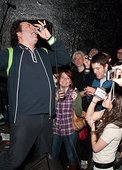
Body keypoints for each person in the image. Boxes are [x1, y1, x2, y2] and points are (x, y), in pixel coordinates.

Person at [0, 19, 71, 169]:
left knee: (44, 160)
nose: (34, 28)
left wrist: (50, 38)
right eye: (29, 26)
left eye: (34, 26)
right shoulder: (11, 54)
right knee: (14, 161)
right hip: (24, 118)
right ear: (19, 34)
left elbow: (65, 59)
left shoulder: (44, 53)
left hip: (46, 117)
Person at [86, 86, 122, 170]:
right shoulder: (107, 113)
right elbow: (89, 118)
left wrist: (93, 129)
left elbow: (95, 148)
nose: (104, 97)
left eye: (107, 96)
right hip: (96, 163)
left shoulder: (114, 128)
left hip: (104, 167)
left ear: (113, 102)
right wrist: (94, 100)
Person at [52, 69, 82, 170]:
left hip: (70, 130)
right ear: (58, 79)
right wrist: (55, 100)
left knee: (71, 156)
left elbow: (79, 113)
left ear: (70, 81)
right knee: (53, 154)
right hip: (55, 129)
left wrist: (74, 101)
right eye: (62, 77)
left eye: (67, 78)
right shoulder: (53, 92)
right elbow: (49, 112)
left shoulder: (75, 93)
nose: (65, 80)